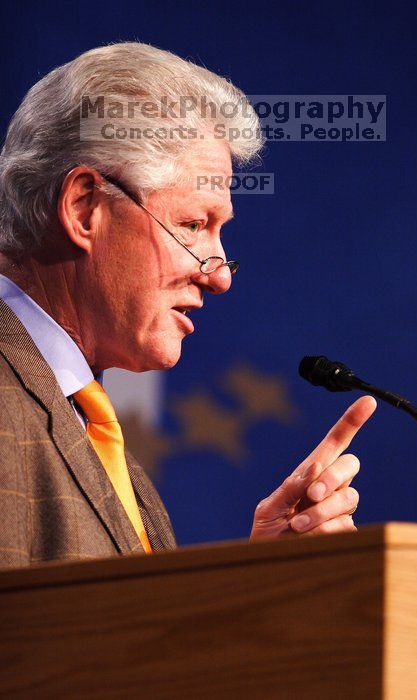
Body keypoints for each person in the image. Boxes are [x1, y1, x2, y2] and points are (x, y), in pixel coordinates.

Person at [0, 42, 376, 569]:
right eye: (192, 225)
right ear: (85, 208)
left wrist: (257, 586)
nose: (220, 276)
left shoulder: (85, 425)